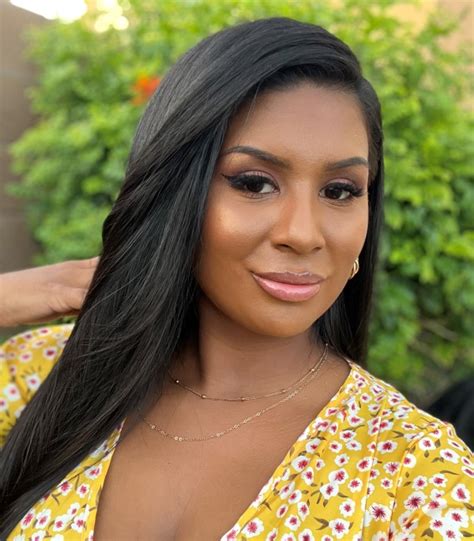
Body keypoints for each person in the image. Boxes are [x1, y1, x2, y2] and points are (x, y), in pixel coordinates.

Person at [0, 16, 472, 541]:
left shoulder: (420, 477)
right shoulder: (44, 375)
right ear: (175, 192)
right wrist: (13, 296)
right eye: (254, 183)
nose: (303, 234)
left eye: (340, 191)